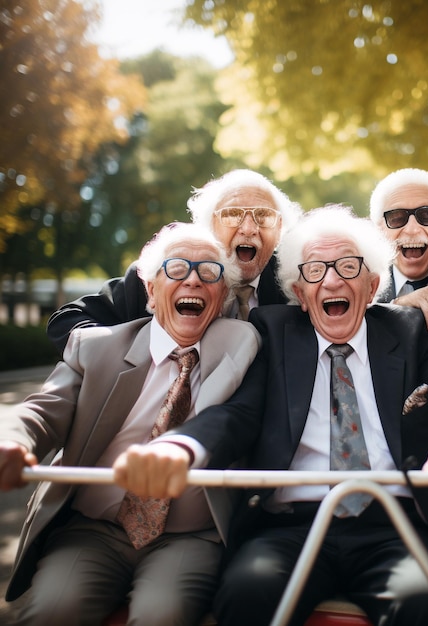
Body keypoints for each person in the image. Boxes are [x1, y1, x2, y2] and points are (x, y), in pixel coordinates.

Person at [113, 205, 428, 626]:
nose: (333, 280)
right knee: (247, 594)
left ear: (373, 285)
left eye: (347, 267)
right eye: (316, 270)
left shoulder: (409, 333)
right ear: (300, 294)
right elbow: (238, 414)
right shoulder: (274, 332)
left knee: (425, 605)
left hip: (396, 525)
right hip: (290, 527)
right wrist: (181, 447)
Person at [0, 223, 261, 626]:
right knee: (52, 610)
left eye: (209, 272)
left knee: (163, 615)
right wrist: (10, 438)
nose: (193, 278)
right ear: (152, 292)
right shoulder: (96, 347)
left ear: (222, 294)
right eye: (176, 269)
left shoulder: (242, 343)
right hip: (93, 530)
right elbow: (43, 410)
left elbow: (236, 419)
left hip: (188, 536)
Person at [46, 169, 302, 352]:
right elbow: (66, 322)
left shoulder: (294, 285)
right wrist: (145, 349)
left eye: (264, 216)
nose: (248, 228)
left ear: (279, 229)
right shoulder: (159, 277)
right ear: (209, 226)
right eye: (233, 214)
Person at [369, 168, 428, 335]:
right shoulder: (360, 283)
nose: (412, 229)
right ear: (378, 233)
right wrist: (396, 308)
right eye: (396, 217)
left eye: (427, 215)